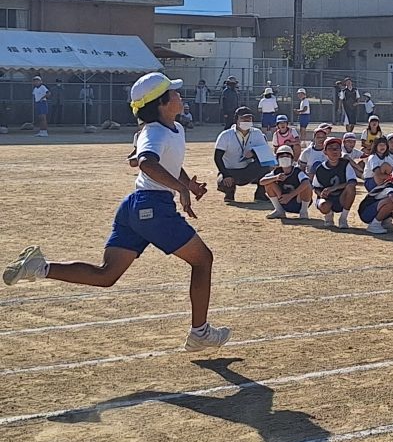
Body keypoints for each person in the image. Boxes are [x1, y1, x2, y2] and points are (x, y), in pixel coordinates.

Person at [3, 73, 227, 351]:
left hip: (134, 207)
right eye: (173, 92)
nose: (179, 95)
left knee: (106, 275)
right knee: (203, 260)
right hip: (153, 208)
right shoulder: (155, 132)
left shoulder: (173, 129)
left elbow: (162, 162)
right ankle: (200, 333)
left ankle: (38, 267)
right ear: (161, 103)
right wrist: (180, 189)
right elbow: (146, 163)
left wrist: (188, 184)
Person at [214, 108, 270, 202]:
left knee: (267, 167)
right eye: (243, 118)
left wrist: (254, 153)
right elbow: (217, 158)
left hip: (248, 170)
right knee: (223, 182)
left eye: (249, 118)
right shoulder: (225, 135)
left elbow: (265, 154)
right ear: (236, 119)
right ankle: (229, 193)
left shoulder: (257, 133)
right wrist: (226, 175)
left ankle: (260, 194)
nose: (246, 121)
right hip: (230, 171)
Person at [311, 136, 358, 228]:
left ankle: (343, 218)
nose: (334, 151)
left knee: (351, 188)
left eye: (337, 148)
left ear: (341, 151)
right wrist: (322, 194)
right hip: (327, 199)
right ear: (325, 152)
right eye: (330, 148)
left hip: (341, 197)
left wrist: (333, 188)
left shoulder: (345, 164)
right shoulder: (320, 168)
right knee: (323, 205)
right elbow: (316, 188)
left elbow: (352, 182)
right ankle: (328, 216)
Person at [260, 145, 312, 220]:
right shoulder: (277, 171)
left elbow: (306, 182)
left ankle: (303, 211)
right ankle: (279, 210)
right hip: (283, 201)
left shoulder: (297, 171)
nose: (284, 158)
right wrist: (276, 178)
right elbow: (262, 181)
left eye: (287, 156)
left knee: (307, 186)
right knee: (269, 183)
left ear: (292, 158)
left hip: (298, 202)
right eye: (281, 156)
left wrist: (290, 196)